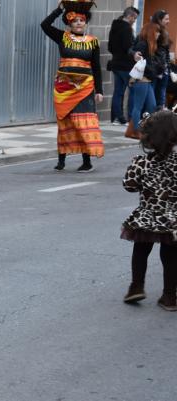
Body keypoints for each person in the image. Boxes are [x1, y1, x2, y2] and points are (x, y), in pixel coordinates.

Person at [121, 110, 177, 312]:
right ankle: (170, 297)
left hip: (146, 215)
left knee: (141, 249)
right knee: (170, 255)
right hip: (172, 218)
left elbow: (129, 185)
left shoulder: (142, 162)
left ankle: (136, 286)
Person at [41, 1, 104, 173]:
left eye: (81, 20)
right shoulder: (63, 37)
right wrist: (58, 10)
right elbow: (44, 25)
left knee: (83, 122)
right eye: (75, 20)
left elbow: (97, 67)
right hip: (64, 87)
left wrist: (99, 90)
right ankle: (61, 161)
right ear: (69, 23)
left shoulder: (93, 42)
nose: (78, 23)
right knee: (65, 122)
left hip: (85, 87)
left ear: (85, 22)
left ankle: (87, 161)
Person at [108, 6, 139, 125]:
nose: (134, 21)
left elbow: (110, 47)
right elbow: (128, 47)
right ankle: (130, 118)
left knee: (118, 92)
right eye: (134, 18)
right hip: (126, 65)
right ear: (129, 16)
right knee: (133, 90)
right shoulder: (126, 28)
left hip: (116, 63)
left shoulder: (115, 26)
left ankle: (116, 118)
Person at [130, 23, 164, 132]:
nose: (159, 34)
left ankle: (145, 128)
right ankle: (136, 130)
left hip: (148, 79)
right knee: (138, 106)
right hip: (141, 79)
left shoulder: (151, 45)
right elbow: (141, 63)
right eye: (157, 31)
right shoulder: (143, 44)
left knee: (152, 106)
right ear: (151, 32)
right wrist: (154, 71)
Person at [151, 10, 172, 109]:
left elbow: (166, 52)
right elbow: (151, 51)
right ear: (159, 20)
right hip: (155, 70)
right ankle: (152, 118)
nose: (169, 21)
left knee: (161, 95)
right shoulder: (153, 32)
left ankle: (160, 118)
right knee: (153, 96)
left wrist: (168, 68)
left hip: (164, 70)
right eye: (166, 19)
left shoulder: (165, 33)